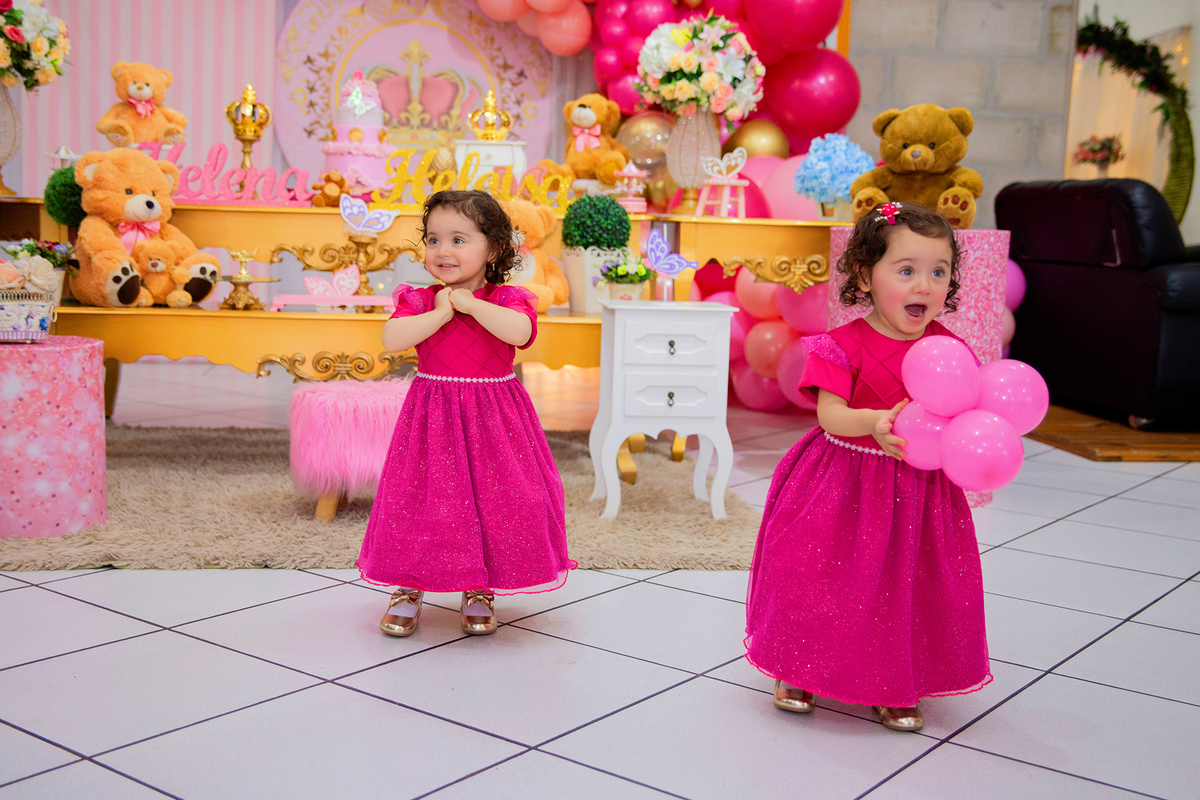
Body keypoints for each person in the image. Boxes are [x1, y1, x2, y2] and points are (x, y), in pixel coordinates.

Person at [744, 202, 991, 731]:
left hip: (919, 490)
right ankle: (799, 667)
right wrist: (878, 422)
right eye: (906, 271)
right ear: (865, 275)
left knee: (904, 584)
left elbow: (964, 416)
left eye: (938, 271)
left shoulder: (952, 352)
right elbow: (831, 414)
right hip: (843, 481)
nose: (924, 285)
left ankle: (894, 679)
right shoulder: (841, 345)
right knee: (818, 576)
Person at [358, 190, 573, 637]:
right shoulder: (420, 300)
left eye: (459, 239)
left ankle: (478, 586)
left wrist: (474, 306)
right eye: (433, 239)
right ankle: (408, 586)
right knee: (421, 501)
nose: (443, 250)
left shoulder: (508, 296)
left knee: (495, 501)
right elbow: (392, 338)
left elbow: (520, 331)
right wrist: (440, 314)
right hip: (432, 417)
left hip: (494, 418)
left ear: (492, 249)